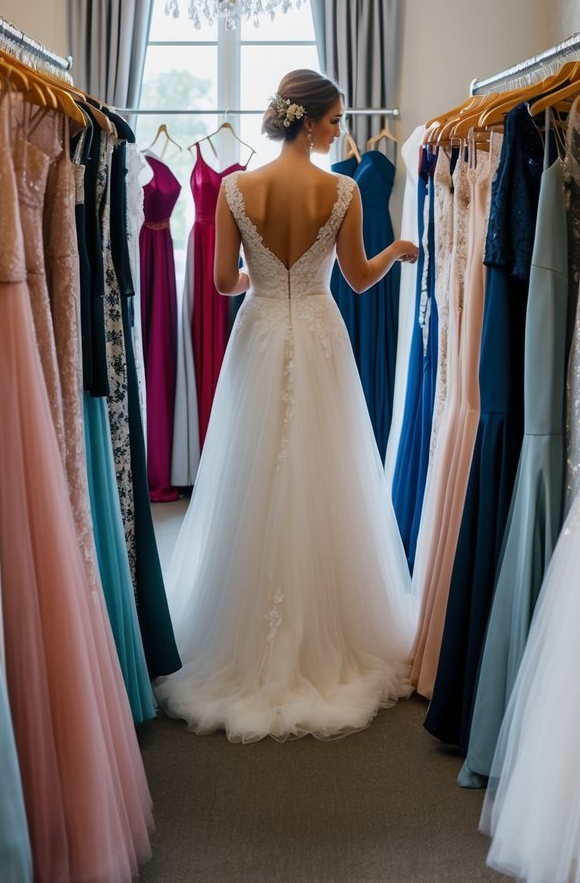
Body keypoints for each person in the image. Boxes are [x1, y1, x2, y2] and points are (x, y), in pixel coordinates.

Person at [153, 69, 419, 742]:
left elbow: (220, 284)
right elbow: (357, 281)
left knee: (252, 474)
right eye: (333, 122)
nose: (339, 132)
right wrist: (395, 249)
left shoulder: (238, 189)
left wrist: (260, 279)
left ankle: (240, 634)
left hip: (261, 329)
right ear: (306, 121)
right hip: (320, 333)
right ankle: (326, 632)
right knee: (325, 475)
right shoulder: (344, 189)